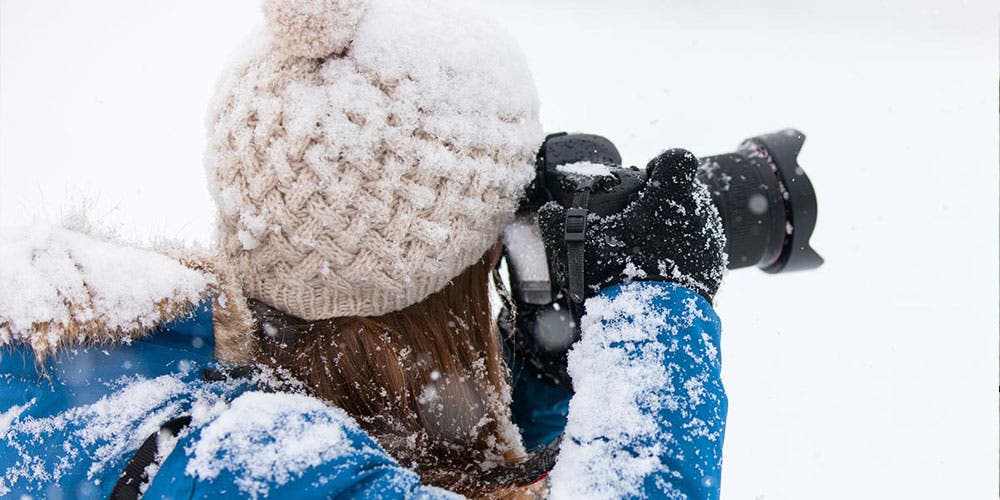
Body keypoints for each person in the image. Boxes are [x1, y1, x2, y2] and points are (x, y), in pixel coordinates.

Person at [0, 0, 728, 498]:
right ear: (437, 294)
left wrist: (542, 372)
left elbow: (413, 447)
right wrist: (652, 306)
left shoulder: (136, 406)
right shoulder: (259, 463)